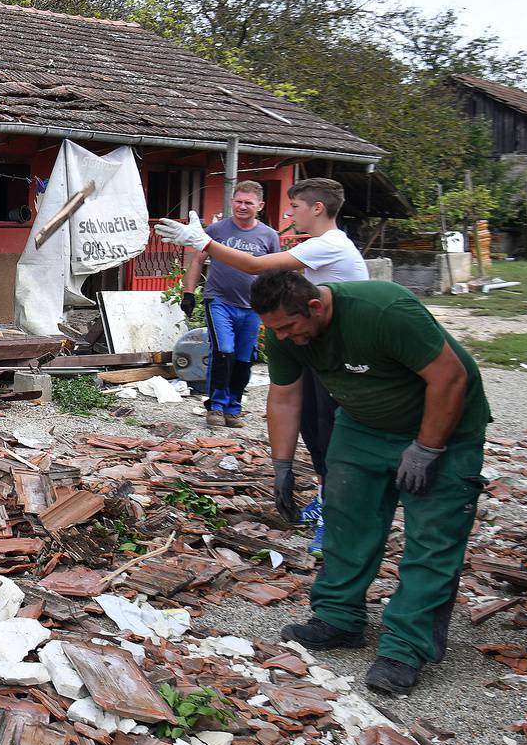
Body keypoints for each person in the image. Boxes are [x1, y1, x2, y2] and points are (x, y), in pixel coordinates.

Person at [247, 270, 490, 695]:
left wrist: (428, 448)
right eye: (274, 330)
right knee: (346, 522)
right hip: (362, 426)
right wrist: (282, 465)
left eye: (288, 327)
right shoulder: (283, 333)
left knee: (432, 541)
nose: (282, 337)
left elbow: (450, 378)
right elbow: (284, 396)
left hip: (445, 430)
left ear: (316, 307)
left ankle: (406, 648)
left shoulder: (384, 310)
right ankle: (338, 618)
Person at [156, 177, 368, 545]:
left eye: (297, 207)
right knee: (315, 427)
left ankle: (339, 519)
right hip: (322, 344)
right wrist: (282, 468)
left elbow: (257, 267)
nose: (290, 213)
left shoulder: (330, 245)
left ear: (317, 208)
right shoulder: (321, 245)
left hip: (345, 350)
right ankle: (324, 497)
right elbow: (282, 398)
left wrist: (204, 243)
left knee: (333, 432)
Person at [181, 181, 281, 429]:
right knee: (224, 350)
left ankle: (233, 407)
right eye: (238, 201)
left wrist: (275, 304)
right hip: (220, 302)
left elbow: (276, 272)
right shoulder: (217, 230)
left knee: (244, 358)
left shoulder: (269, 236)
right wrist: (188, 293)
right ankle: (215, 406)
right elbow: (197, 261)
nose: (242, 206)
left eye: (249, 202)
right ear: (232, 202)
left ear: (260, 205)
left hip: (252, 307)